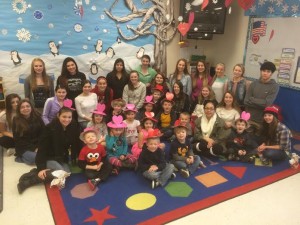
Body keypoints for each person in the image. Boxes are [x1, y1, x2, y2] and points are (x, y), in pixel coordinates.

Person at [17, 106, 80, 194]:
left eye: (69, 117)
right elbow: (42, 149)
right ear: (58, 116)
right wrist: (41, 168)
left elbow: (76, 142)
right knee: (60, 173)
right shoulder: (50, 128)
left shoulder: (72, 126)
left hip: (60, 157)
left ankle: (33, 172)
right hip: (48, 157)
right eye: (64, 117)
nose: (67, 119)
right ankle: (28, 181)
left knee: (67, 173)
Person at [244, 61, 279, 125]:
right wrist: (261, 103)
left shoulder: (275, 86)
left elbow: (267, 104)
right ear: (261, 71)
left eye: (268, 71)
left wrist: (252, 99)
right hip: (248, 117)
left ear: (271, 73)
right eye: (263, 71)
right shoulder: (253, 84)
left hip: (262, 120)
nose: (265, 73)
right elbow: (246, 101)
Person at [12, 99, 44, 165]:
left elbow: (43, 133)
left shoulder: (38, 116)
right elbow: (18, 139)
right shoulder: (16, 120)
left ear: (31, 107)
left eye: (27, 106)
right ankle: (20, 157)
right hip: (24, 147)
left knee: (49, 154)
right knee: (38, 158)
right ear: (19, 110)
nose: (25, 108)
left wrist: (39, 146)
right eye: (22, 107)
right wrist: (34, 148)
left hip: (38, 145)